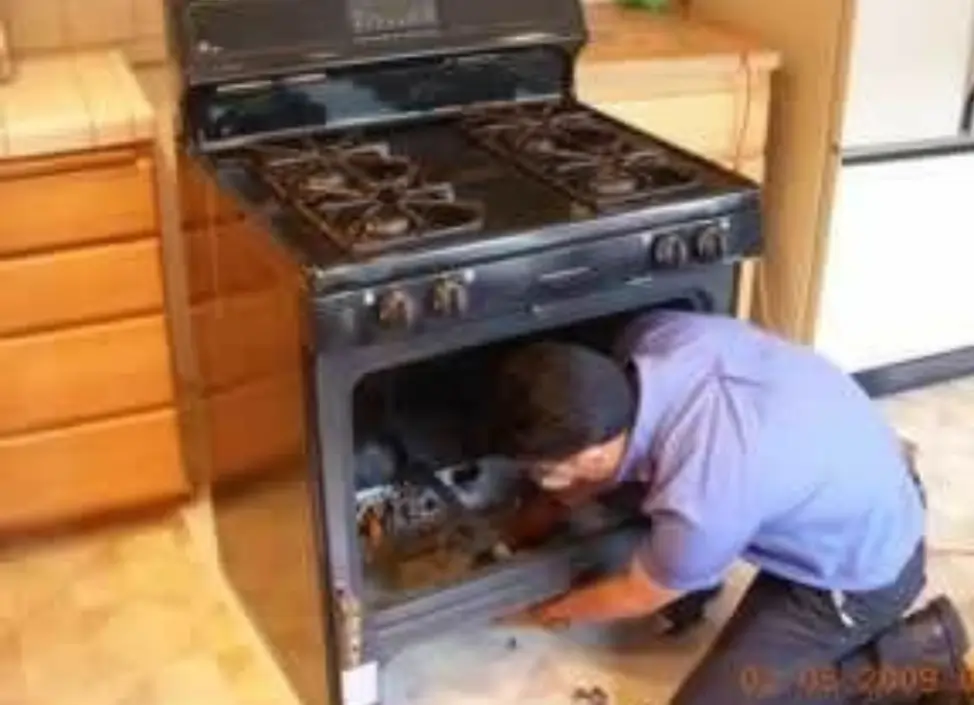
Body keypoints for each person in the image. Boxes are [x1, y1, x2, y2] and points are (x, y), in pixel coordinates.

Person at [488, 309, 970, 705]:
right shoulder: (655, 336)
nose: (541, 481)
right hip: (851, 476)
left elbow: (640, 593)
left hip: (862, 568)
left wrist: (549, 610)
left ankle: (923, 654)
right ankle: (696, 577)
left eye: (544, 470)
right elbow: (613, 465)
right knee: (668, 513)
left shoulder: (703, 496)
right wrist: (534, 518)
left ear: (591, 454)